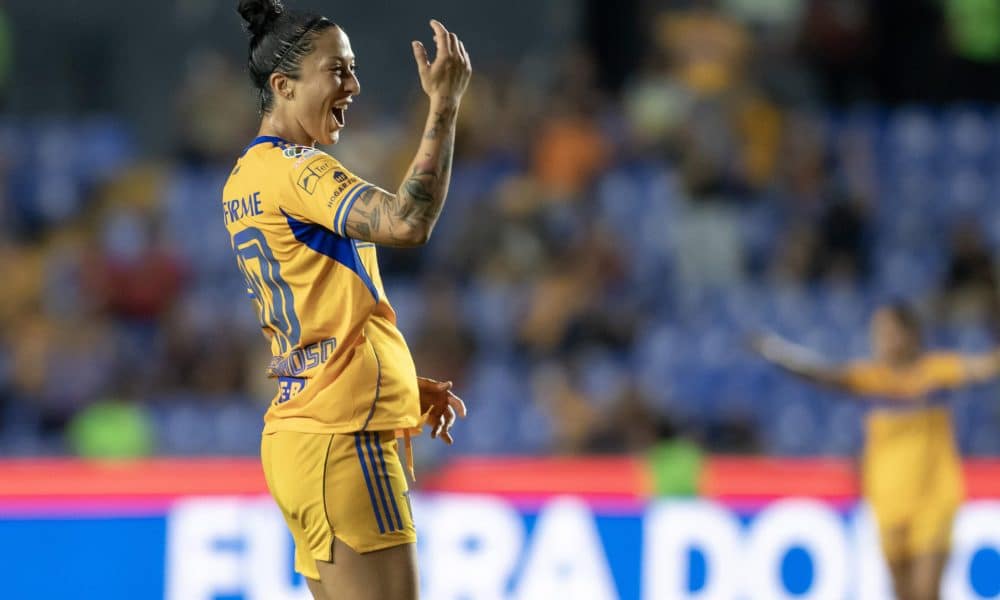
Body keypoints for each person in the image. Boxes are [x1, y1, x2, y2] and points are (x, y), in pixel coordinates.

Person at [224, 2, 471, 598]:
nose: (354, 85)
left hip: (302, 436)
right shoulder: (300, 170)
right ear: (283, 86)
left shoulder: (243, 180)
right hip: (342, 440)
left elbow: (320, 304)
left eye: (353, 69)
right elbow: (407, 221)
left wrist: (395, 380)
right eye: (337, 70)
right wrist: (444, 104)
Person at [752, 303, 1000, 600]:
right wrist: (775, 351)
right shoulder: (872, 380)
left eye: (890, 332)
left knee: (927, 592)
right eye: (878, 333)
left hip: (933, 500)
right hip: (887, 502)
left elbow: (983, 367)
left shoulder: (935, 373)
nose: (882, 341)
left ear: (911, 334)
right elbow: (821, 374)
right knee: (904, 594)